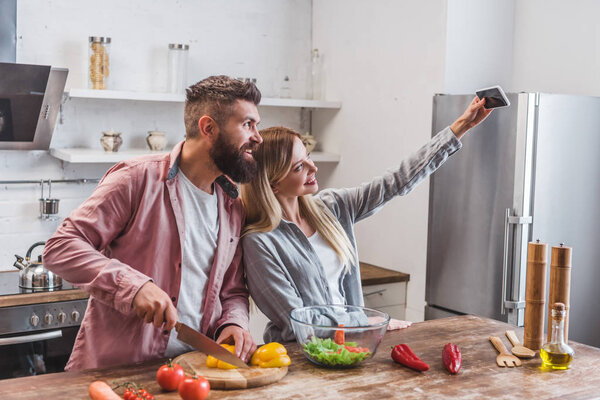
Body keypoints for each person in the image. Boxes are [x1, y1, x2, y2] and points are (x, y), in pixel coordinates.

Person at [43, 75, 263, 370]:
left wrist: (233, 324)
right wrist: (133, 287)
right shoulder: (136, 179)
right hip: (118, 373)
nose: (257, 136)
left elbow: (232, 289)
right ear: (208, 128)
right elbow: (61, 247)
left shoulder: (232, 204)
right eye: (248, 124)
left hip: (195, 373)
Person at [241, 97, 492, 342]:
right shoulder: (260, 242)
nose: (313, 168)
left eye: (309, 155)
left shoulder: (333, 207)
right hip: (301, 359)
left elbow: (396, 181)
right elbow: (296, 322)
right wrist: (363, 322)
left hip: (351, 347)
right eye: (299, 167)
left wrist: (462, 126)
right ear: (272, 184)